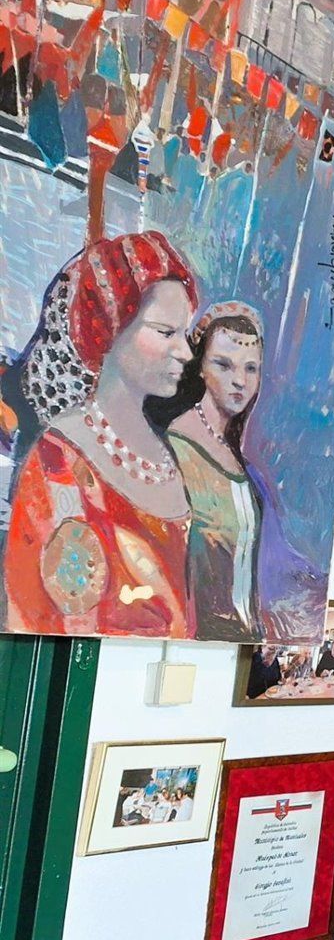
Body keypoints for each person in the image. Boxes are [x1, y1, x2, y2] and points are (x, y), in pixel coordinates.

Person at [3, 232, 199, 637]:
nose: (185, 352)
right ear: (110, 328)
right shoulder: (59, 460)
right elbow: (41, 617)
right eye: (166, 332)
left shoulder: (168, 456)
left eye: (184, 334)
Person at [161, 302, 266, 642]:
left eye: (251, 368)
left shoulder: (237, 455)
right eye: (223, 364)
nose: (239, 380)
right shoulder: (176, 448)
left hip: (240, 638)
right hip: (194, 637)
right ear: (201, 368)